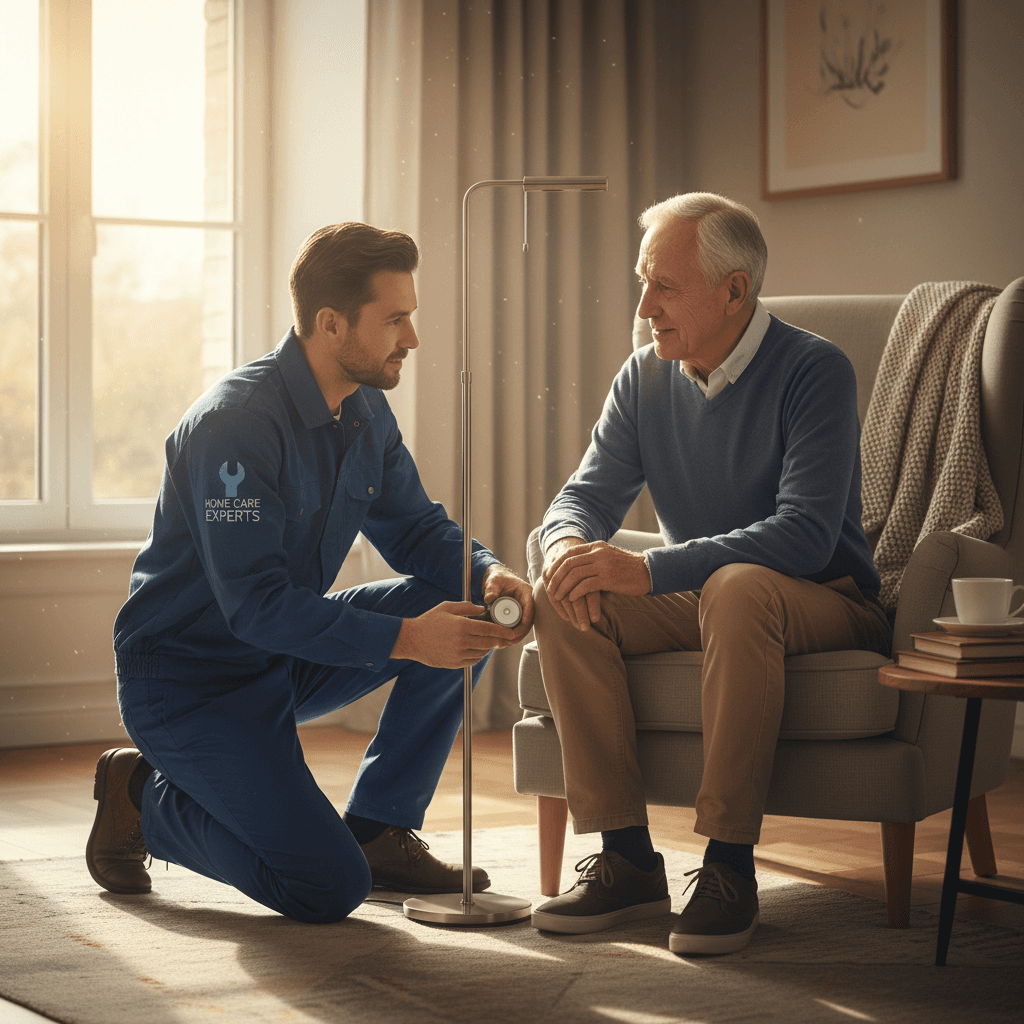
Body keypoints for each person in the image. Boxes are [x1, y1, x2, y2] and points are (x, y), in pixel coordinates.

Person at [88, 222, 534, 923]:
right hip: (186, 684)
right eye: (395, 319)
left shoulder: (364, 412)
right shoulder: (233, 427)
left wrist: (489, 573)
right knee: (326, 886)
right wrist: (410, 641)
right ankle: (142, 795)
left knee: (462, 603)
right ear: (331, 324)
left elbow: (416, 528)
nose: (411, 339)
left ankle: (380, 828)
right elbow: (258, 608)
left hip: (279, 661)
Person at [528, 193, 891, 954]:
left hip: (826, 597)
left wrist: (651, 569)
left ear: (735, 291)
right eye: (642, 281)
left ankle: (729, 865)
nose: (644, 305)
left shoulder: (815, 369)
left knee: (737, 586)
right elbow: (583, 497)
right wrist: (563, 547)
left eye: (664, 285)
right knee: (560, 594)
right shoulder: (643, 378)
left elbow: (804, 533)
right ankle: (626, 856)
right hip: (707, 594)